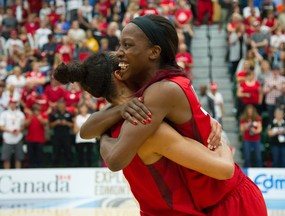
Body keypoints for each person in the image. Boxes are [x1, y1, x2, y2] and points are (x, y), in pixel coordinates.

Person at [77, 15, 266, 215]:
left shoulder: (161, 92)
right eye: (119, 45)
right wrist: (117, 111)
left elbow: (114, 159)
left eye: (127, 45)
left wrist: (104, 136)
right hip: (210, 201)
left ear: (154, 52)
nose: (119, 53)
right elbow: (87, 129)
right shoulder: (153, 90)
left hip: (229, 199)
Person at [54, 52, 234, 216]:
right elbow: (225, 170)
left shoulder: (109, 125)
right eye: (125, 64)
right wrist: (222, 143)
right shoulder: (147, 118)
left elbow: (87, 131)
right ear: (119, 74)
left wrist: (106, 136)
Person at [0, 99, 25, 169]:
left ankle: (18, 173)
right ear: (9, 104)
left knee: (18, 158)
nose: (13, 105)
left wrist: (19, 130)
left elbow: (23, 126)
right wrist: (10, 130)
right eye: (11, 103)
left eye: (14, 103)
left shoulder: (20, 114)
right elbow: (1, 126)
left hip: (18, 138)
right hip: (7, 138)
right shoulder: (4, 114)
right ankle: (6, 173)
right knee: (6, 158)